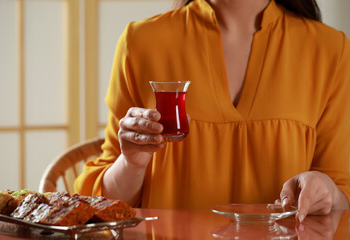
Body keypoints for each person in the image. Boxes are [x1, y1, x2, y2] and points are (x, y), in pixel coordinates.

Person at [74, 0, 350, 224]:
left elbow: (340, 193)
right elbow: (102, 204)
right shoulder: (141, 41)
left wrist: (325, 190)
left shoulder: (331, 50)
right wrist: (131, 163)